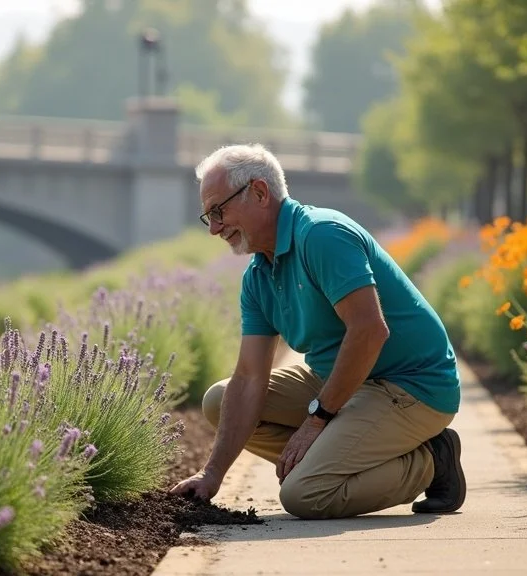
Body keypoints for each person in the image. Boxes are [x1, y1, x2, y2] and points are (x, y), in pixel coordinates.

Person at [169, 144, 465, 519]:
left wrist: (316, 421)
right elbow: (248, 378)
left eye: (218, 210)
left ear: (259, 193)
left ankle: (431, 461)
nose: (214, 228)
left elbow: (370, 331)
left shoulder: (322, 235)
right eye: (207, 216)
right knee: (220, 400)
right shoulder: (258, 276)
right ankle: (351, 455)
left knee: (306, 494)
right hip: (347, 382)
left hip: (410, 386)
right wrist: (211, 475)